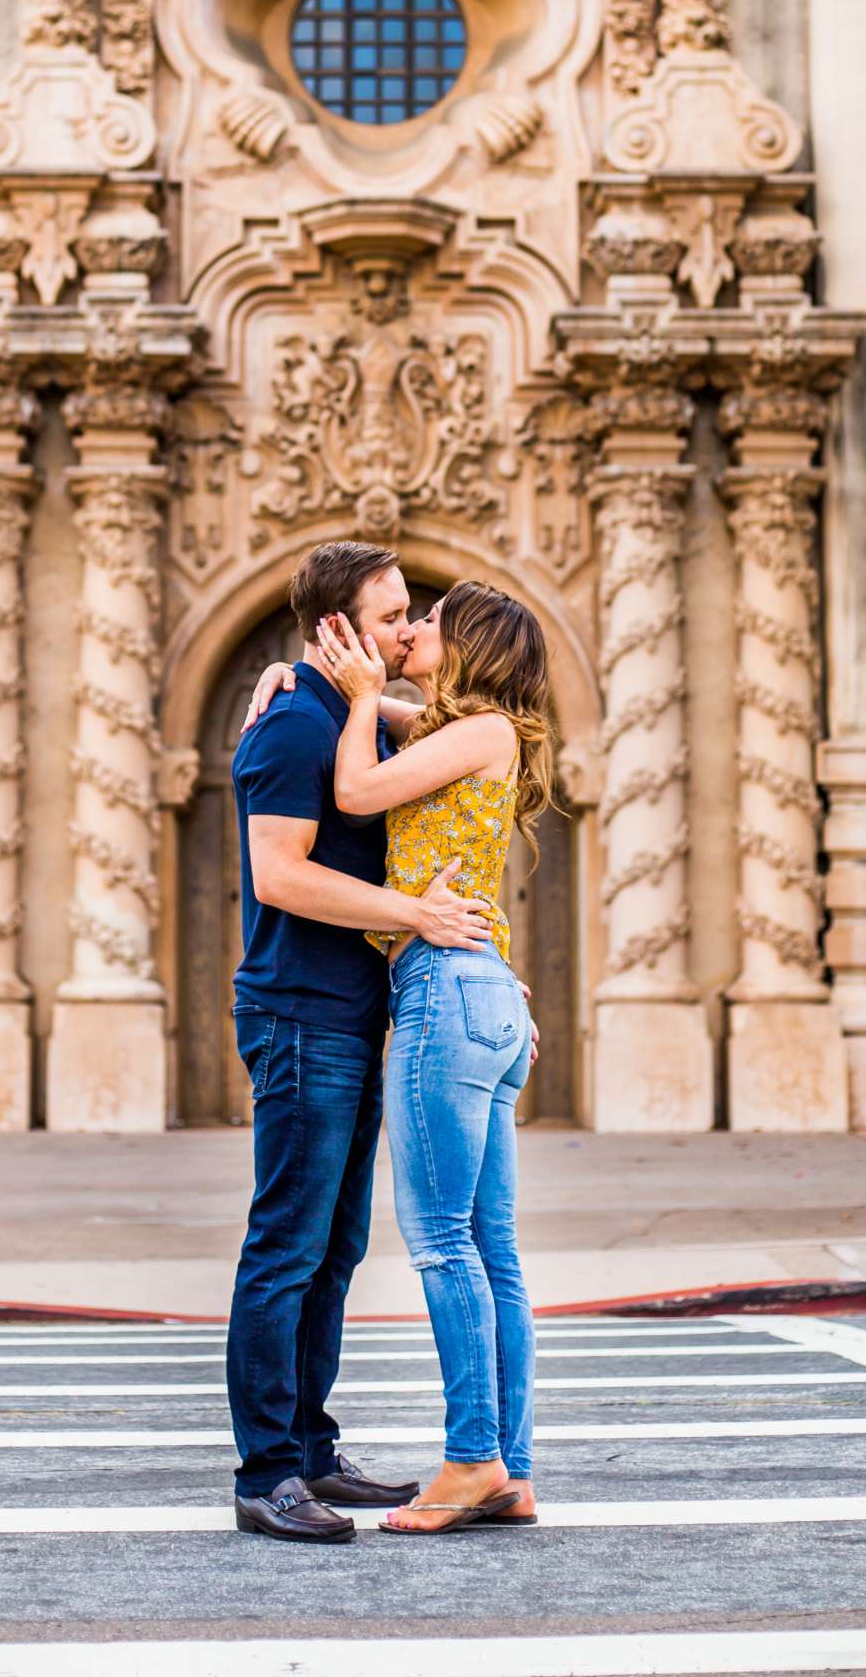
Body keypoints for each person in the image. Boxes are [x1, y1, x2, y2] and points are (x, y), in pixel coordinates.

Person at [226, 540, 498, 1544]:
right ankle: (265, 1474)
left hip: (350, 1011)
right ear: (339, 626)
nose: (409, 628)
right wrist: (412, 915)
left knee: (335, 1248)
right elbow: (281, 876)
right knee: (286, 1245)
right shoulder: (294, 725)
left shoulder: (333, 709)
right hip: (298, 1010)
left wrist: (343, 685)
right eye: (390, 616)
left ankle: (310, 1451)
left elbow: (462, 728)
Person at [314, 580, 554, 1535]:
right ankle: (510, 1469)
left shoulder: (484, 727)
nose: (410, 631)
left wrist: (365, 698)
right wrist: (302, 682)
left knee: (446, 1241)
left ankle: (470, 1459)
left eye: (428, 623)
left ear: (471, 646)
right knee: (492, 1249)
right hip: (479, 988)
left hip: (444, 991)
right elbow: (347, 692)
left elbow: (354, 791)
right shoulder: (464, 730)